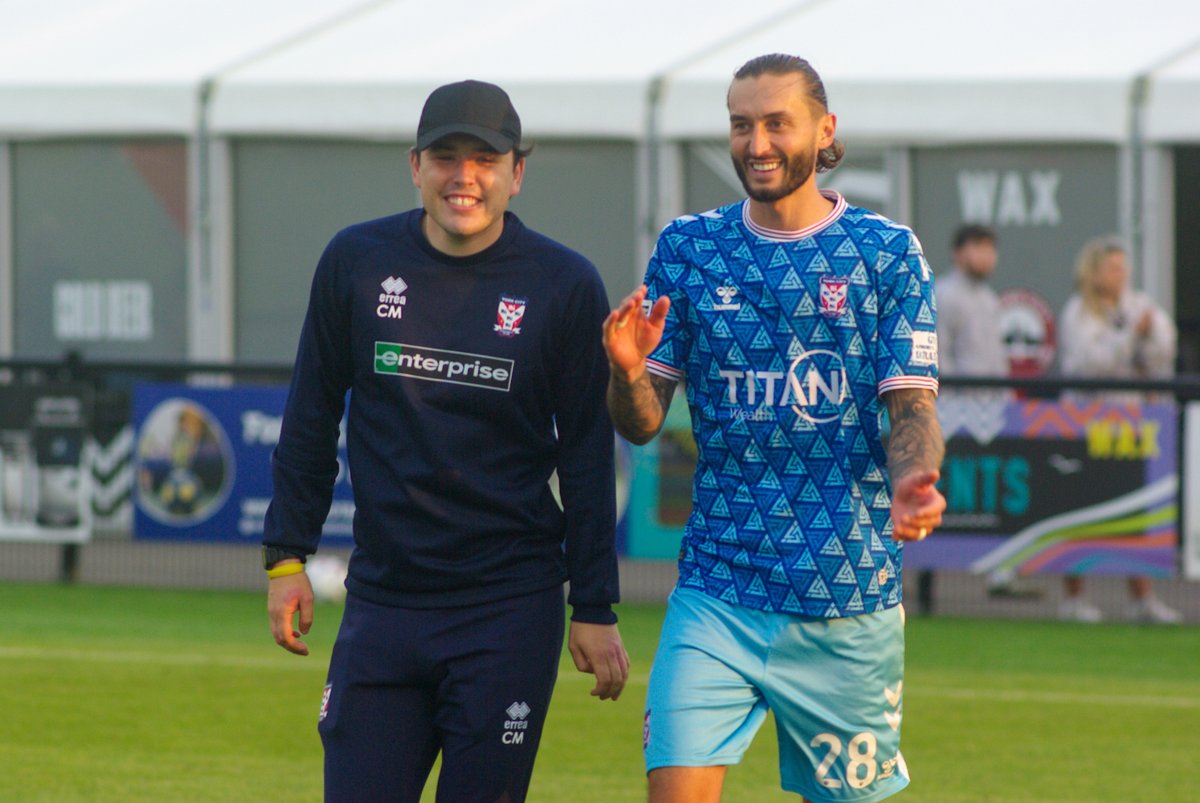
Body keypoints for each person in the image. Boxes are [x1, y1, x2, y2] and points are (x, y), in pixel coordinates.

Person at [262, 79, 630, 802]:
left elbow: (586, 454)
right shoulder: (356, 261)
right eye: (446, 157)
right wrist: (286, 557)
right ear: (415, 165)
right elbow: (310, 413)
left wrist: (593, 603)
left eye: (485, 160)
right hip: (384, 603)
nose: (465, 177)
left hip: (508, 608)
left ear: (516, 174)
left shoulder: (562, 283)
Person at [604, 54, 946, 802]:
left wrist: (914, 479)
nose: (756, 143)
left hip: (847, 598)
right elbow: (642, 424)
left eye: (775, 123)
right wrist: (629, 372)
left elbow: (912, 408)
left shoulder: (885, 255)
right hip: (717, 589)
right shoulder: (689, 249)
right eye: (740, 124)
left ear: (825, 132)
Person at [1056, 235, 1181, 624]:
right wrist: (1129, 337)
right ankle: (1074, 598)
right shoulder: (1078, 311)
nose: (1120, 275)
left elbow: (1163, 351)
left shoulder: (1138, 304)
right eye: (1111, 267)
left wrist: (1146, 334)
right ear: (1093, 272)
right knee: (1079, 509)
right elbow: (1090, 365)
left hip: (1131, 427)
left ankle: (1142, 599)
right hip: (1084, 425)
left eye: (1123, 267)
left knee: (1135, 510)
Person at [935, 223, 1007, 378]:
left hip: (992, 399)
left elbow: (997, 357)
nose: (986, 255)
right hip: (954, 398)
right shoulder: (944, 295)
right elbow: (938, 355)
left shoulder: (990, 299)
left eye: (990, 248)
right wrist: (951, 398)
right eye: (978, 247)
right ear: (957, 253)